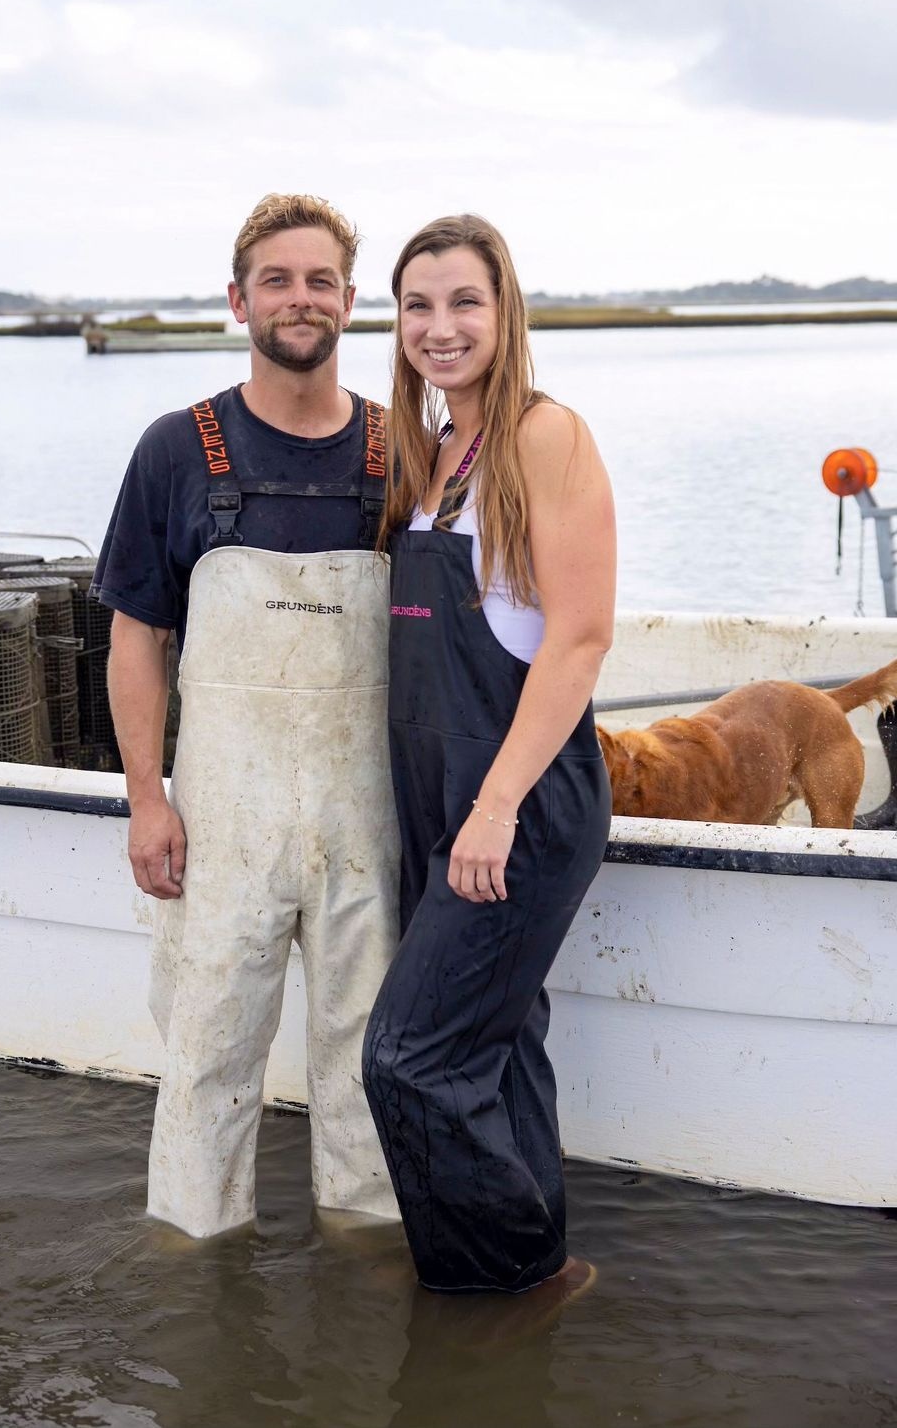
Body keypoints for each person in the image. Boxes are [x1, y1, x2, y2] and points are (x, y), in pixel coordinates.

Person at [93, 193, 400, 1238]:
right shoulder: (177, 451)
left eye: (320, 280)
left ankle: (368, 1279)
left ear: (351, 303)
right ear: (238, 300)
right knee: (206, 1057)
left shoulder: (403, 453)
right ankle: (192, 1264)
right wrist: (147, 801)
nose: (299, 298)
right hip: (222, 822)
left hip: (371, 819)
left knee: (367, 1059)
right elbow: (136, 638)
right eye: (277, 279)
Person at [362, 215, 615, 1297]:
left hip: (518, 806)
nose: (439, 326)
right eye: (417, 305)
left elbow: (579, 636)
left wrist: (498, 805)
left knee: (406, 1061)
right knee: (496, 1047)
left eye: (463, 301)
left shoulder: (542, 434)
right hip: (443, 798)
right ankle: (543, 1264)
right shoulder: (429, 453)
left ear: (506, 310)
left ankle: (498, 1291)